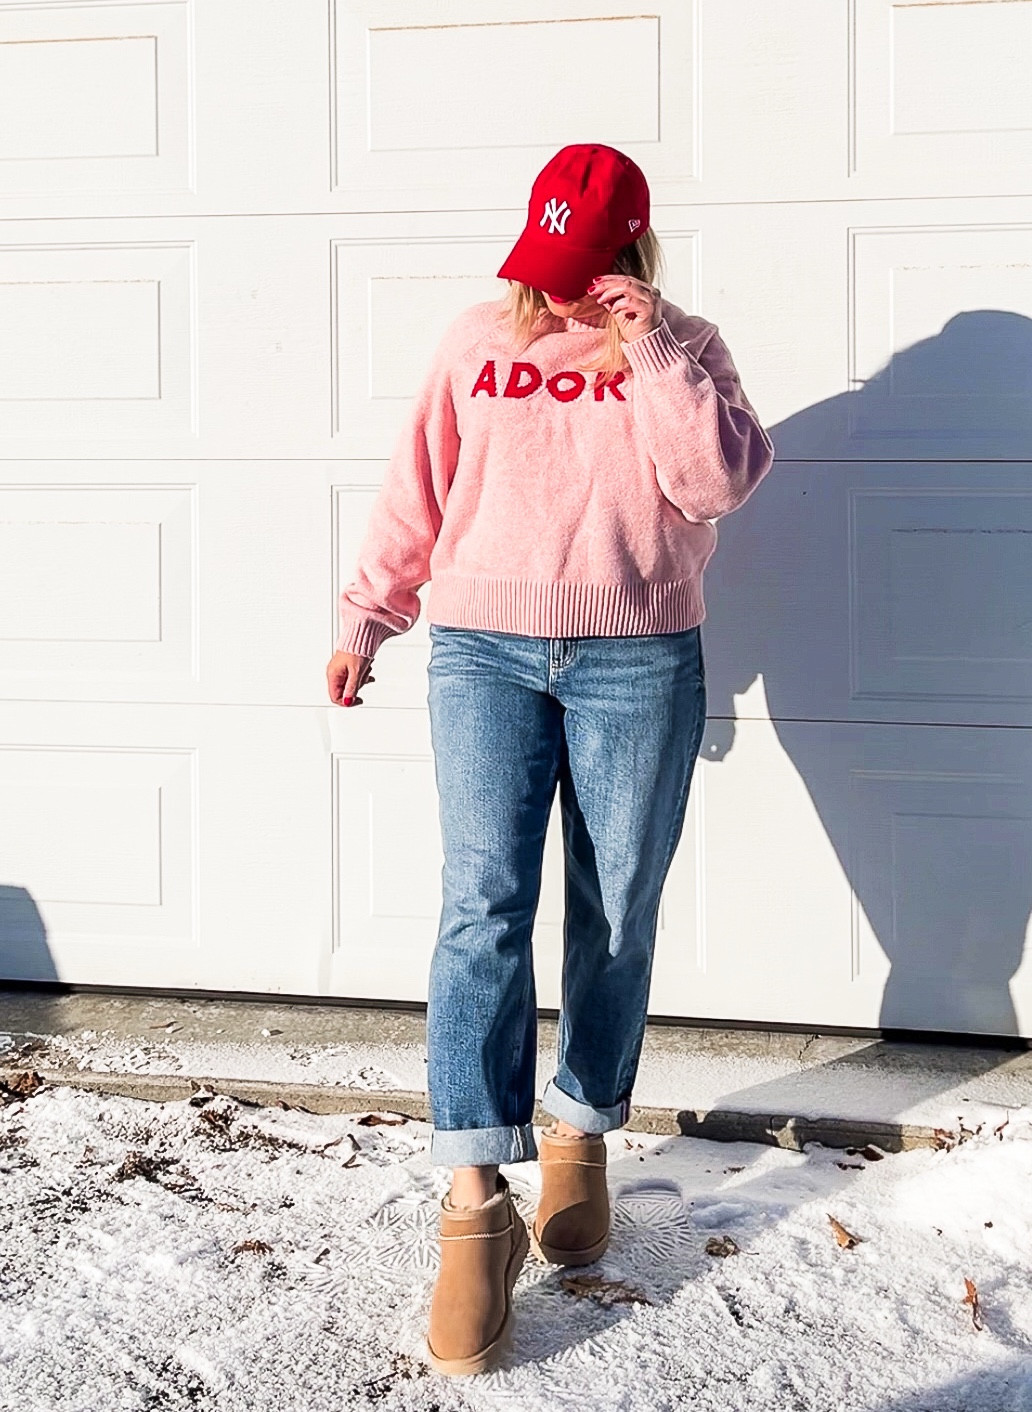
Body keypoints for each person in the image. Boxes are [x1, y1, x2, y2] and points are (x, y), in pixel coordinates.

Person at [325, 143, 774, 1377]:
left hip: (639, 657)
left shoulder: (686, 347)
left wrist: (653, 346)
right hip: (482, 650)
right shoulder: (477, 338)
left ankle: (579, 1125)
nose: (562, 283)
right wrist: (368, 615)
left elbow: (715, 484)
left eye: (588, 262)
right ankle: (474, 1195)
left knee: (616, 902)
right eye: (550, 258)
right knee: (483, 902)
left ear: (628, 247)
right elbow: (418, 487)